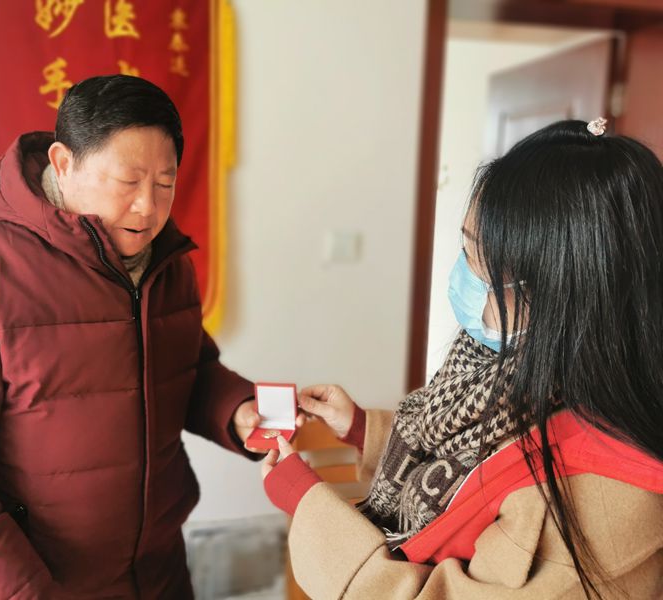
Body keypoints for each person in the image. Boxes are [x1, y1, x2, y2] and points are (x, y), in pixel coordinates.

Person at [0, 75, 266, 599]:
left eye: (165, 183)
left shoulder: (166, 263)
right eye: (128, 181)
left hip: (160, 577)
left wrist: (238, 411)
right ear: (62, 163)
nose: (147, 207)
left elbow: (187, 369)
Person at [262, 119, 663, 598]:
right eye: (465, 248)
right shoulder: (506, 364)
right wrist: (361, 428)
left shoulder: (604, 492)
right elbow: (463, 467)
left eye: (477, 260)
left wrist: (307, 502)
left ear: (559, 290)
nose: (463, 274)